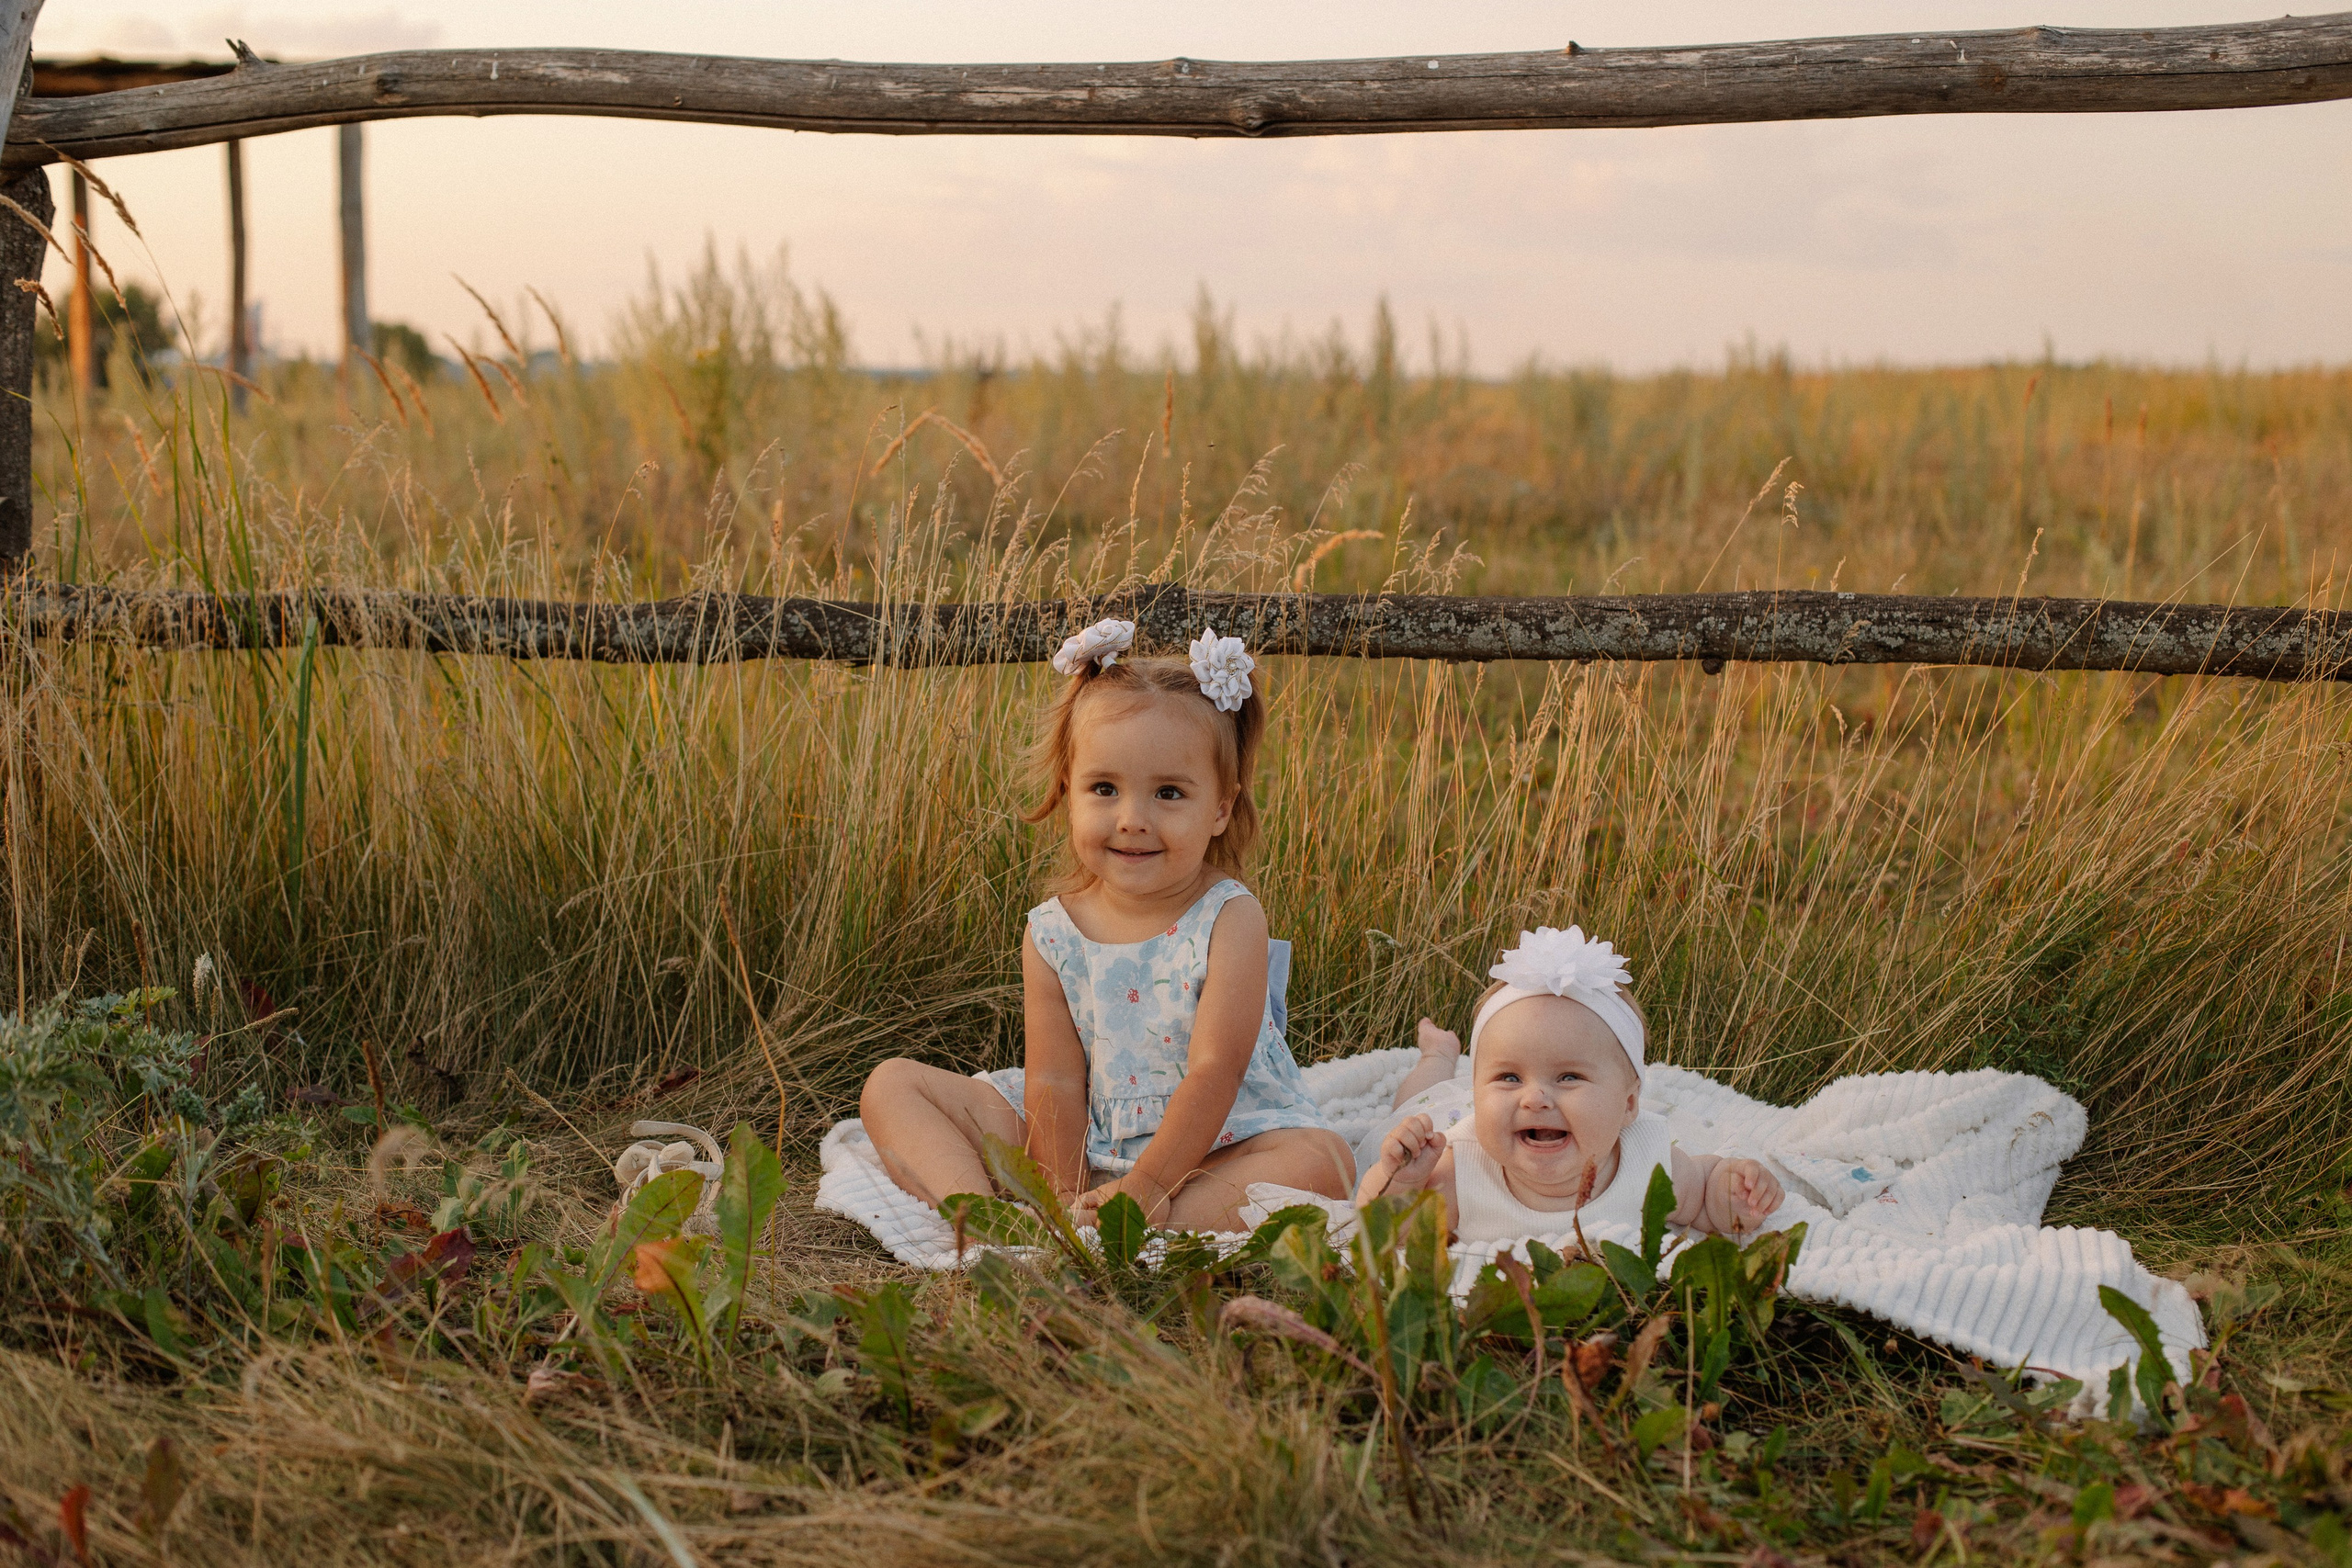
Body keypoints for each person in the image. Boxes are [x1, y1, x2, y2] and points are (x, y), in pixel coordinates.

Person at [859, 618, 1354, 1231]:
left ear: (1221, 807)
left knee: (1323, 1162)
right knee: (891, 1086)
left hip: (1214, 1142)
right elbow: (1055, 1078)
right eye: (1104, 788)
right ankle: (1007, 1220)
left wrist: (1148, 1182)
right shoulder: (1054, 931)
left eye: (1169, 793)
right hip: (1085, 1133)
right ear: (1069, 791)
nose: (1132, 819)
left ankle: (1140, 1219)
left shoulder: (1230, 916)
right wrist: (1062, 1189)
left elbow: (1215, 1072)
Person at [1353, 926, 1782, 1243]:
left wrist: (1737, 1195)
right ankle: (1439, 1056)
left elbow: (1706, 1192)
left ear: (1629, 1104)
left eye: (1569, 1077)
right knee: (1418, 1104)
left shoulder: (1648, 1166)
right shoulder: (1460, 1168)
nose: (1536, 1098)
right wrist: (1404, 1180)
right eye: (1509, 1077)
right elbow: (1390, 1232)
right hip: (1442, 1109)